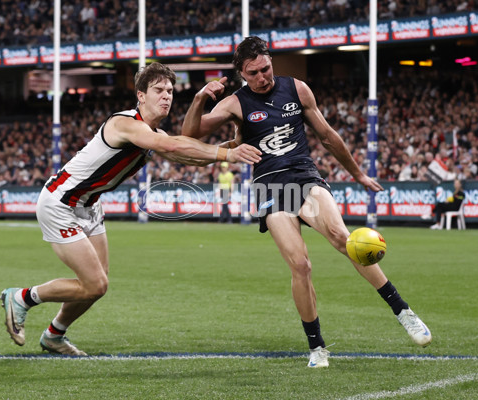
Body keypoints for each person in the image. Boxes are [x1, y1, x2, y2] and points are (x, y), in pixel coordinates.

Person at [182, 37, 431, 368]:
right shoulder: (234, 103)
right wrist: (199, 98)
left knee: (345, 240)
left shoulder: (297, 89)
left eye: (266, 68)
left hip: (303, 177)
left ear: (272, 62)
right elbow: (189, 135)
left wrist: (356, 173)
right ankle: (317, 347)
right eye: (254, 73)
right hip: (270, 188)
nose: (263, 77)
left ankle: (403, 312)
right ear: (243, 73)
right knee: (300, 265)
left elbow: (327, 136)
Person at [0, 62, 261, 355]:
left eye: (170, 91)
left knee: (97, 284)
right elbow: (174, 147)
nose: (166, 96)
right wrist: (227, 153)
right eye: (158, 90)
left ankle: (54, 335)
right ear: (140, 95)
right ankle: (22, 297)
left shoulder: (152, 132)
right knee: (95, 284)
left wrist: (234, 146)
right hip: (60, 202)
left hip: (89, 206)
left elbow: (187, 156)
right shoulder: (125, 123)